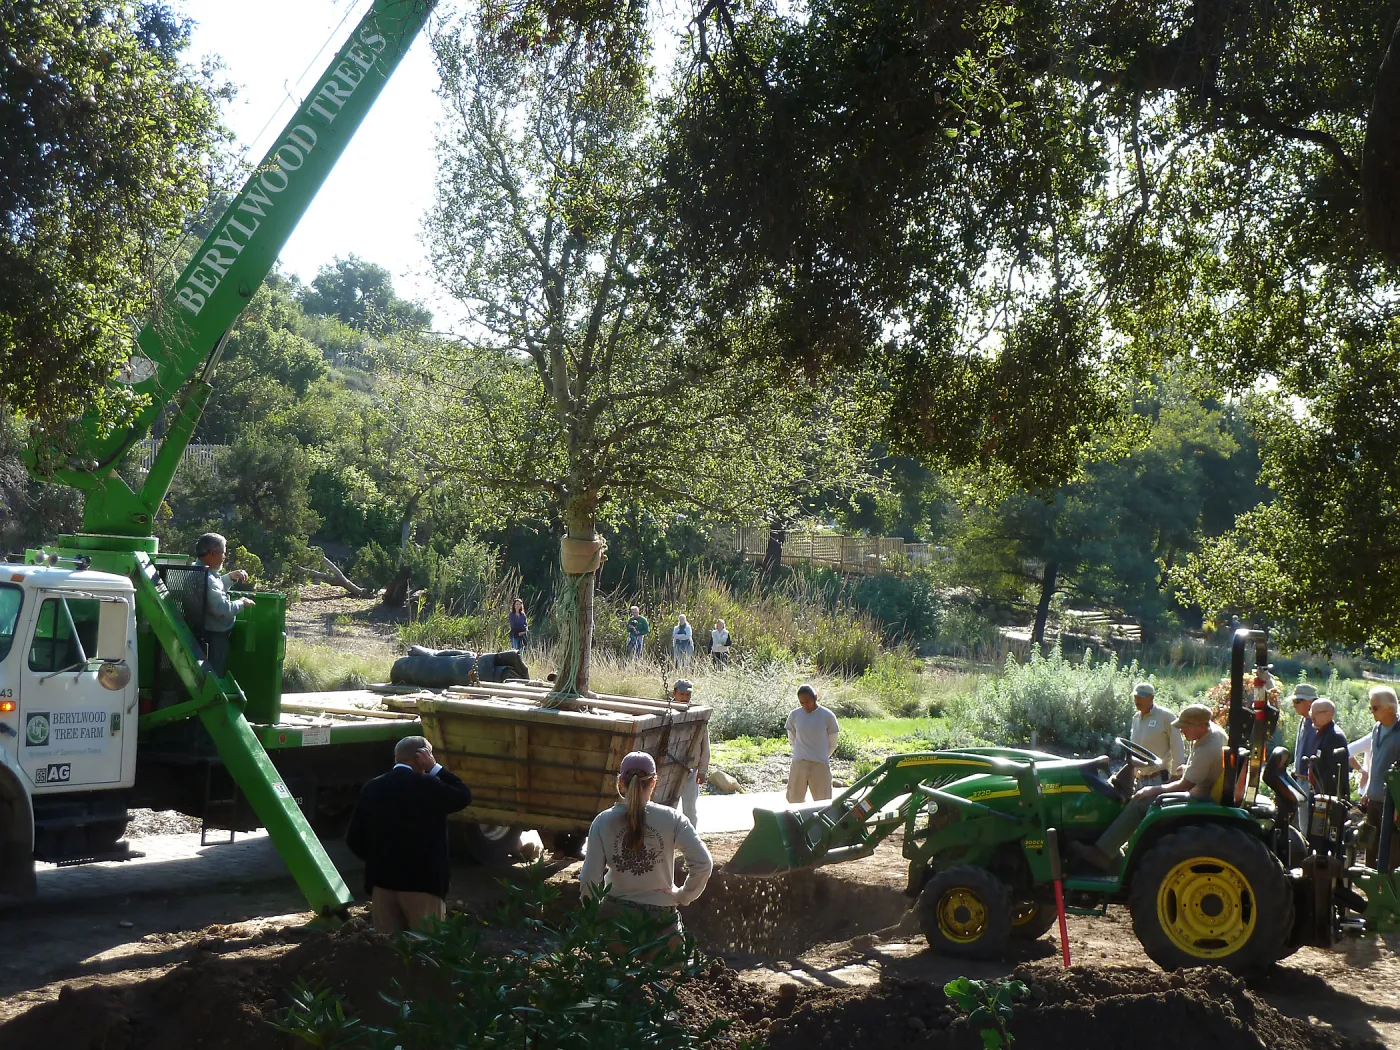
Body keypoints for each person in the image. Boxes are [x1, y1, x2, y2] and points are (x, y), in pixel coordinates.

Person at [579, 751, 713, 949]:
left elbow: (589, 878)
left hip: (615, 916)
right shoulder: (673, 819)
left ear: (620, 782)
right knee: (670, 978)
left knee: (614, 977)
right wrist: (684, 895)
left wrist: (593, 913)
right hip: (661, 920)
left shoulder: (603, 821)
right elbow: (703, 864)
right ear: (653, 782)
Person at [1072, 704, 1227, 873]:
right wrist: (1187, 770)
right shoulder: (1214, 733)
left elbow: (1184, 785)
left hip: (1196, 797)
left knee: (1140, 802)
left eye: (1185, 727)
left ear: (1202, 726)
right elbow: (1200, 768)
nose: (1181, 732)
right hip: (1200, 789)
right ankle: (1117, 848)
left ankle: (1102, 853)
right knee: (1142, 796)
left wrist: (1152, 790)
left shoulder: (1206, 748)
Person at [345, 735, 473, 935]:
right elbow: (463, 795)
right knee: (426, 949)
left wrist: (380, 860)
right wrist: (435, 767)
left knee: (388, 951)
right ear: (421, 757)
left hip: (382, 885)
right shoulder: (429, 786)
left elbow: (354, 839)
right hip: (423, 885)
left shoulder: (372, 787)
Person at [191, 532, 254, 678]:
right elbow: (222, 609)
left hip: (201, 635)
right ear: (212, 554)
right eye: (223, 553)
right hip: (213, 639)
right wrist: (241, 603)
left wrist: (230, 578)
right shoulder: (208, 579)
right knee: (213, 677)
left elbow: (210, 592)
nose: (224, 557)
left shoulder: (197, 571)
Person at [1361, 685, 1400, 869]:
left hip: (1392, 803)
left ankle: (1389, 892)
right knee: (1371, 846)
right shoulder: (1377, 728)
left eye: (1375, 708)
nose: (1372, 712)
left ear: (1390, 707)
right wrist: (1368, 788)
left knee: (1391, 850)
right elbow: (1374, 761)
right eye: (1370, 708)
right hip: (1374, 798)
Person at [785, 684, 840, 803]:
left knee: (823, 802)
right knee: (794, 800)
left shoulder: (828, 716)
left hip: (820, 764)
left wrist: (821, 756)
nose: (805, 706)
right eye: (802, 703)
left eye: (808, 701)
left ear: (816, 697)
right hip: (799, 763)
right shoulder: (794, 715)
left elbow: (833, 743)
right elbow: (792, 739)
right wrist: (800, 753)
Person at [1128, 682, 1185, 785]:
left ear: (1151, 698)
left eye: (1141, 697)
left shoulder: (1166, 716)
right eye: (1135, 697)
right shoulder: (1136, 718)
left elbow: (1177, 747)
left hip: (1159, 778)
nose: (1137, 700)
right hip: (1141, 779)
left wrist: (1176, 775)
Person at [670, 679, 708, 827]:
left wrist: (703, 770)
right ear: (674, 693)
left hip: (690, 770)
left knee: (690, 810)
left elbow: (705, 746)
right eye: (682, 694)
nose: (685, 697)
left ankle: (691, 840)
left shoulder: (697, 714)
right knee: (667, 808)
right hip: (669, 769)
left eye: (688, 694)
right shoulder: (666, 711)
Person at [1307, 699, 1349, 800]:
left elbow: (1332, 772)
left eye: (1315, 713)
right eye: (1311, 712)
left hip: (1330, 795)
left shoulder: (1334, 736)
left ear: (1329, 714)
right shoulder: (1322, 733)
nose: (1312, 717)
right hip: (1320, 791)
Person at [1289, 683, 1320, 784]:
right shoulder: (1303, 720)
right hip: (1299, 778)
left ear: (1310, 702)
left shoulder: (1318, 724)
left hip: (1309, 781)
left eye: (1297, 701)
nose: (1294, 705)